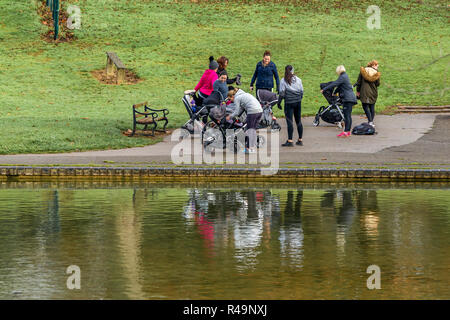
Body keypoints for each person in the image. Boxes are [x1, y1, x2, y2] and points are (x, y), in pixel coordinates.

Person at [321, 65, 357, 137]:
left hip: (348, 99)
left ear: (338, 71)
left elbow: (335, 84)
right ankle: (347, 131)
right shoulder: (345, 76)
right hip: (350, 98)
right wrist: (334, 93)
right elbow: (339, 86)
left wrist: (324, 89)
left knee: (347, 116)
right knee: (347, 115)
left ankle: (346, 131)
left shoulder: (342, 77)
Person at [226, 88, 263, 153]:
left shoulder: (237, 98)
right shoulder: (244, 94)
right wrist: (237, 116)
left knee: (249, 130)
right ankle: (251, 148)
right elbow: (241, 109)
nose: (230, 101)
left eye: (230, 99)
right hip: (259, 111)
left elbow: (236, 111)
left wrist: (230, 116)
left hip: (252, 112)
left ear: (232, 96)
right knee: (253, 129)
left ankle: (249, 149)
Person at [278, 65, 304, 147]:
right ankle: (300, 140)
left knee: (290, 122)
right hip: (298, 102)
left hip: (289, 103)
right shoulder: (299, 79)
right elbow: (302, 92)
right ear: (293, 70)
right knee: (298, 121)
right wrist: (298, 99)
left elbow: (281, 94)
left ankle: (290, 141)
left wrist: (279, 103)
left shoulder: (283, 80)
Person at [356, 60, 381, 127]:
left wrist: (358, 91)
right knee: (372, 107)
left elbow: (359, 82)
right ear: (373, 65)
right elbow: (378, 84)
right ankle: (371, 122)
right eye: (376, 65)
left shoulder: (363, 71)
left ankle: (370, 121)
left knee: (365, 106)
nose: (377, 66)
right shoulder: (376, 74)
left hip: (364, 91)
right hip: (373, 92)